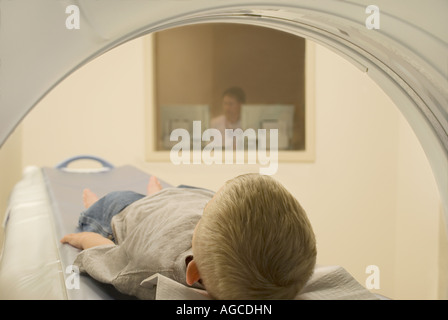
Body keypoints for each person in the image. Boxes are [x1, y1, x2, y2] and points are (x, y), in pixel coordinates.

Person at [61, 173, 317, 300]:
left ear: (193, 272)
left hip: (136, 214)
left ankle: (96, 207)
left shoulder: (151, 268)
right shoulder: (226, 235)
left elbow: (108, 255)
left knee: (112, 203)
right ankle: (157, 194)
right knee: (186, 193)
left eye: (205, 216)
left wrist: (85, 239)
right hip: (183, 199)